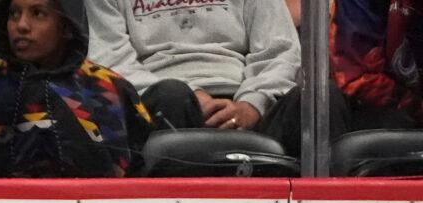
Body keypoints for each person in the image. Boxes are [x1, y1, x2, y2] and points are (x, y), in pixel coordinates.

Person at [85, 0, 344, 157]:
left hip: (248, 102)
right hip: (159, 100)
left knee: (322, 98)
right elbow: (109, 59)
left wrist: (253, 104)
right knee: (172, 95)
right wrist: (192, 94)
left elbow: (280, 50)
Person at [0, 0, 152, 177]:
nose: (21, 25)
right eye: (14, 13)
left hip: (99, 202)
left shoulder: (110, 88)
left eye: (38, 14)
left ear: (66, 25)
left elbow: (139, 175)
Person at [331, 0, 423, 130]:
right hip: (372, 107)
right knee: (397, 124)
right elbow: (354, 79)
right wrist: (416, 105)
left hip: (407, 104)